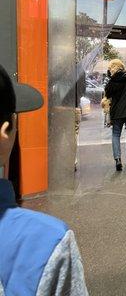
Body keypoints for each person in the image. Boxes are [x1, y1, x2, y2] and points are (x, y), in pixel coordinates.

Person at [0, 64, 89, 296]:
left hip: (61, 110)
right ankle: (72, 160)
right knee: (71, 139)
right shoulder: (48, 242)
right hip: (70, 110)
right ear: (6, 132)